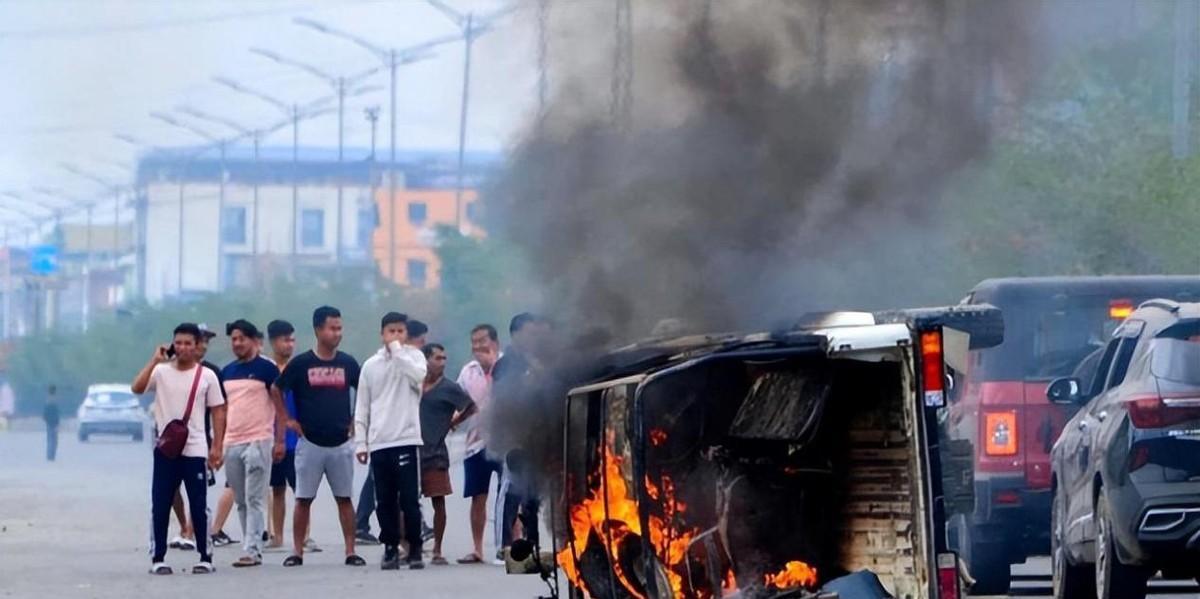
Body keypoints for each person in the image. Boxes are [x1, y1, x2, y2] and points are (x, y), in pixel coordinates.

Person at [271, 306, 365, 567]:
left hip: (341, 442)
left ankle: (350, 550)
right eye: (332, 328)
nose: (338, 333)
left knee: (344, 499)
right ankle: (297, 551)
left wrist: (357, 419)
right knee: (303, 499)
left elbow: (364, 391)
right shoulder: (301, 364)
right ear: (318, 330)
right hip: (310, 442)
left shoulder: (347, 363)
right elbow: (276, 389)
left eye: (339, 328)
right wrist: (287, 419)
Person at [133, 323, 226, 575]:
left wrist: (217, 445)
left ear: (197, 347)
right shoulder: (161, 372)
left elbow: (218, 410)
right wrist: (154, 360)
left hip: (195, 448)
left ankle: (205, 556)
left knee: (198, 503)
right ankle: (158, 557)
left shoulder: (207, 376)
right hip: (165, 449)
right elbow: (137, 388)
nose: (183, 348)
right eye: (179, 343)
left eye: (188, 343)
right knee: (161, 502)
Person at [354, 312, 428, 570]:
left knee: (409, 499)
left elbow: (418, 377)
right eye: (390, 331)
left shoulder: (414, 358)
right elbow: (362, 406)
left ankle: (416, 547)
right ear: (382, 333)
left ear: (406, 334)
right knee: (384, 501)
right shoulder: (370, 365)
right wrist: (362, 443)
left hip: (406, 439)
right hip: (380, 442)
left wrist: (398, 352)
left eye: (400, 331)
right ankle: (390, 547)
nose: (395, 336)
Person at [220, 319, 283, 567]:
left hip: (259, 440)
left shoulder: (268, 369)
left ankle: (252, 549)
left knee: (256, 497)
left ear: (253, 340)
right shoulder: (227, 372)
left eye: (241, 338)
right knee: (241, 499)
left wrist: (279, 440)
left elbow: (279, 407)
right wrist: (218, 444)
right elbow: (223, 410)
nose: (237, 343)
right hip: (232, 441)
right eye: (233, 339)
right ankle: (250, 544)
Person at [493, 313, 549, 560]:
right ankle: (503, 545)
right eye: (529, 333)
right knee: (511, 492)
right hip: (515, 436)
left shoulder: (539, 360)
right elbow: (504, 401)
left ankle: (532, 544)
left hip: (536, 436)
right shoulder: (506, 364)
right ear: (516, 335)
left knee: (533, 496)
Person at [265, 319, 320, 552]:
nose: (290, 345)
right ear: (273, 342)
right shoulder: (266, 370)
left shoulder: (299, 368)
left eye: (292, 340)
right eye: (285, 340)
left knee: (302, 491)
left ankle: (305, 536)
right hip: (273, 437)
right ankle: (277, 536)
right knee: (277, 489)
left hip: (297, 439)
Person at [419, 343, 476, 565]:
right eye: (437, 358)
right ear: (425, 360)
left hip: (435, 452)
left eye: (444, 358)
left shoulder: (449, 388)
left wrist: (454, 422)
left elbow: (470, 406)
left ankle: (437, 549)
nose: (442, 362)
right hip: (411, 448)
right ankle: (408, 544)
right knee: (405, 501)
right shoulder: (413, 383)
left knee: (438, 500)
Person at [171, 325, 226, 551]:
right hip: (171, 439)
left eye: (206, 341)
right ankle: (184, 525)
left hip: (200, 438)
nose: (203, 345)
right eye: (200, 340)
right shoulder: (168, 370)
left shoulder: (212, 373)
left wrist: (218, 444)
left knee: (198, 488)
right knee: (172, 487)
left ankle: (191, 532)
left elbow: (220, 409)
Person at [455, 323, 503, 564]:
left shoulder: (506, 366)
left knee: (507, 495)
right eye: (474, 342)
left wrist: (493, 367)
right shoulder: (468, 372)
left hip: (505, 440)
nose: (477, 347)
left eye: (482, 341)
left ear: (494, 342)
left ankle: (509, 545)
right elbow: (460, 402)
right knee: (477, 496)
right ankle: (477, 548)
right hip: (475, 442)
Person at [42, 385, 60, 462]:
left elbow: (44, 414)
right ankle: (51, 456)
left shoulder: (47, 401)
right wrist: (57, 423)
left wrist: (46, 420)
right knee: (54, 441)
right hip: (54, 423)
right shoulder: (54, 402)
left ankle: (49, 456)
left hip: (48, 423)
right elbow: (56, 414)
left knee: (49, 440)